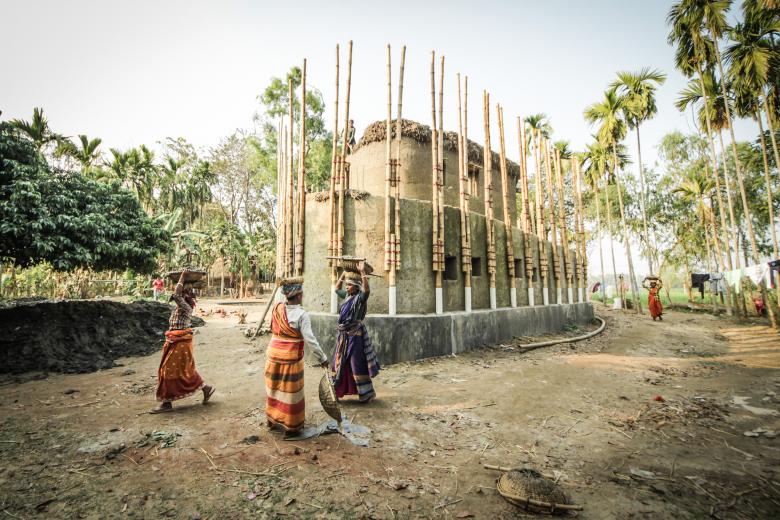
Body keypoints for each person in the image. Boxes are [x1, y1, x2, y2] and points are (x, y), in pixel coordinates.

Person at [265, 278, 329, 437]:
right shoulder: (302, 314)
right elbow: (310, 340)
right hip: (290, 357)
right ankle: (291, 427)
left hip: (273, 354)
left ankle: (272, 420)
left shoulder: (277, 308)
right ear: (299, 295)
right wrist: (322, 358)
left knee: (274, 387)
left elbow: (272, 327)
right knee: (291, 393)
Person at [151, 270, 214, 413]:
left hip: (180, 342)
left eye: (185, 292)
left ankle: (166, 403)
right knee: (184, 370)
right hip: (176, 341)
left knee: (168, 370)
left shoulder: (185, 307)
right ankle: (205, 388)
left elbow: (176, 294)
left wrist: (183, 276)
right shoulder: (182, 307)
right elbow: (177, 295)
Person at [331, 267, 380, 403]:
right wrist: (343, 274)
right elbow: (336, 289)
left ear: (357, 287)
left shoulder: (360, 298)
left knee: (356, 363)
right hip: (343, 336)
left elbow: (367, 290)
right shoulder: (347, 297)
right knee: (340, 362)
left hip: (355, 336)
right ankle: (338, 391)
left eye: (349, 285)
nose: (346, 287)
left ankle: (366, 394)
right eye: (346, 285)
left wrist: (362, 272)